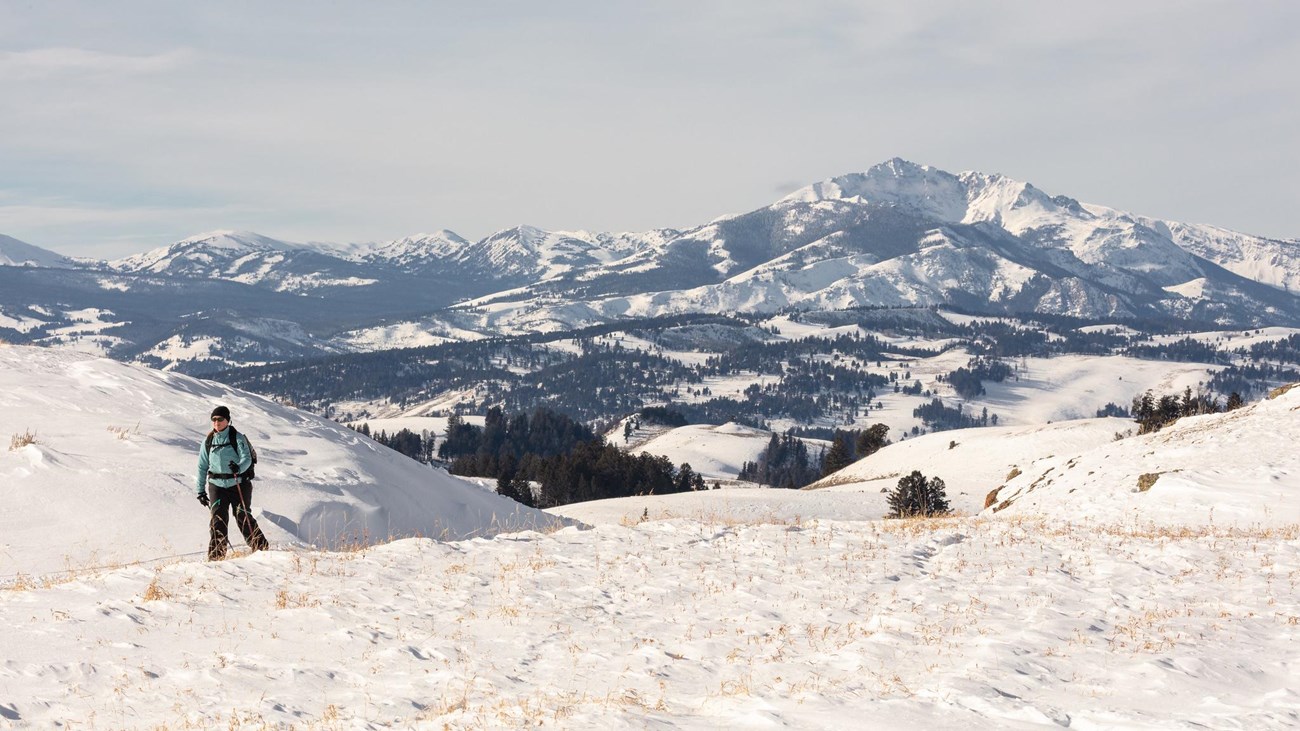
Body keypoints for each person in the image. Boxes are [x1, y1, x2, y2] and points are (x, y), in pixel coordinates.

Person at [197, 405, 268, 559]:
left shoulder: (237, 438)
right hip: (217, 486)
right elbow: (202, 466)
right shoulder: (208, 441)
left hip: (238, 484)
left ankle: (262, 550)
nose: (217, 422)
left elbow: (247, 458)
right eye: (214, 419)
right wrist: (200, 491)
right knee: (218, 521)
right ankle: (216, 558)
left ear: (228, 420)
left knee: (243, 517)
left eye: (220, 419)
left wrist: (238, 467)